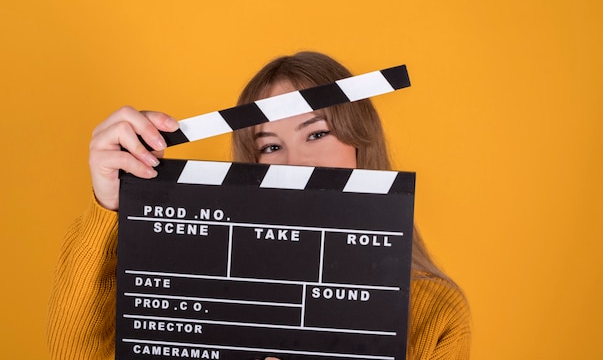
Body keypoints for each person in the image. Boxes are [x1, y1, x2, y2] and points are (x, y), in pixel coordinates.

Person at [47, 51, 471, 359]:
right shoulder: (193, 292)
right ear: (252, 166)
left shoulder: (435, 312)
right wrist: (111, 205)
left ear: (362, 143)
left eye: (318, 134)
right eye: (270, 146)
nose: (295, 163)